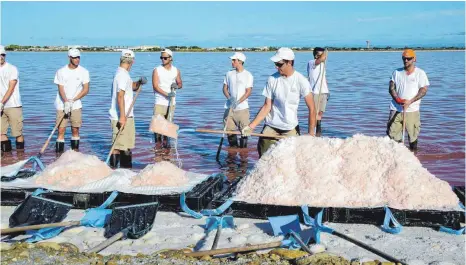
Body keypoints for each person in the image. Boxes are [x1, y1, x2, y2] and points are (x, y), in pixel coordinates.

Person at [241, 47, 317, 157]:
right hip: (271, 125)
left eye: (280, 64)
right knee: (263, 159)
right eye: (275, 64)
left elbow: (312, 108)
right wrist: (251, 126)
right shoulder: (272, 79)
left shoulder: (301, 81)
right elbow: (267, 106)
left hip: (290, 128)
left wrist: (311, 133)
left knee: (290, 161)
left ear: (289, 62)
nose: (277, 67)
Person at [387, 48, 430, 152]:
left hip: (412, 110)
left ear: (414, 59)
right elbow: (391, 88)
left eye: (408, 58)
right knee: (392, 138)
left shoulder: (420, 73)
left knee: (413, 139)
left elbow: (423, 90)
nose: (406, 60)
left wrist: (410, 101)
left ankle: (413, 158)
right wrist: (398, 100)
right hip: (396, 109)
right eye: (404, 58)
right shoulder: (396, 72)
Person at [108, 49, 145, 168]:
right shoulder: (122, 75)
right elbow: (120, 96)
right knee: (118, 147)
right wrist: (122, 117)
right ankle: (115, 172)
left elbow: (131, 87)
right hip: (122, 116)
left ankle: (125, 172)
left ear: (121, 59)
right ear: (132, 62)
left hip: (126, 116)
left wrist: (138, 82)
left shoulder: (123, 74)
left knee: (126, 146)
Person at [53, 48, 90, 153]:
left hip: (76, 105)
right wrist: (66, 102)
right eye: (74, 58)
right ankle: (59, 155)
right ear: (69, 58)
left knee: (75, 129)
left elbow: (86, 89)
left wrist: (73, 100)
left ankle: (75, 153)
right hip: (62, 105)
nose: (77, 59)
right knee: (61, 130)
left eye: (78, 57)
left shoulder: (84, 72)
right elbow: (60, 89)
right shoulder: (61, 72)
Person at [222, 52, 253, 148]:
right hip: (229, 108)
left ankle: (243, 155)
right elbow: (224, 88)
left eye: (234, 60)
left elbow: (248, 92)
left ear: (240, 61)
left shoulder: (248, 75)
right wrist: (230, 98)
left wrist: (238, 102)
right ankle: (233, 151)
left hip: (242, 109)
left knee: (245, 132)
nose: (232, 62)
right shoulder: (229, 73)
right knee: (229, 131)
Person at [152, 48, 182, 144]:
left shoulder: (176, 70)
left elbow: (180, 83)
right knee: (157, 129)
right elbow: (155, 86)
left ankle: (167, 150)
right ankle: (157, 148)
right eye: (161, 57)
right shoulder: (157, 70)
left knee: (167, 127)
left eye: (165, 58)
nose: (163, 59)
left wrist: (176, 86)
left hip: (171, 103)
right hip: (160, 102)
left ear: (170, 58)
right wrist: (167, 94)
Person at [0, 45, 25, 153]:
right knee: (1, 133)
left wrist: (2, 102)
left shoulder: (12, 69)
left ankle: (20, 156)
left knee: (17, 133)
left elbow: (11, 88)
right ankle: (7, 159)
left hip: (13, 105)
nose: (1, 57)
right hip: (1, 106)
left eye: (3, 55)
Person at [307, 47, 329, 137]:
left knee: (320, 113)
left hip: (324, 91)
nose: (324, 57)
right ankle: (311, 132)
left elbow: (324, 78)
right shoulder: (311, 62)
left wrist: (328, 91)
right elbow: (321, 59)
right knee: (314, 113)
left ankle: (318, 133)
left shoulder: (323, 65)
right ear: (316, 55)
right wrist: (325, 53)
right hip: (315, 92)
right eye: (321, 55)